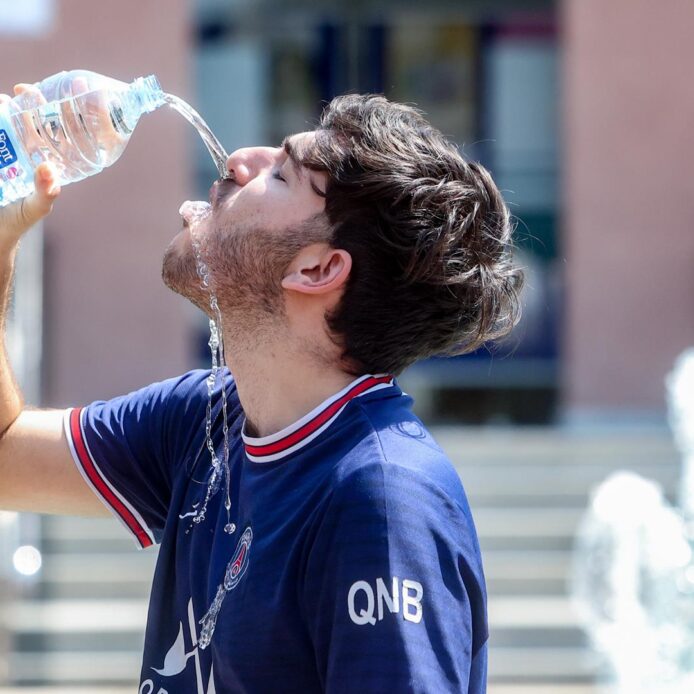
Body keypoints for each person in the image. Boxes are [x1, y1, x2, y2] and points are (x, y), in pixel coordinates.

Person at [0, 90, 523, 693]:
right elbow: (6, 451)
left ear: (318, 270)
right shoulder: (207, 418)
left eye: (280, 172)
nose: (237, 162)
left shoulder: (381, 496)